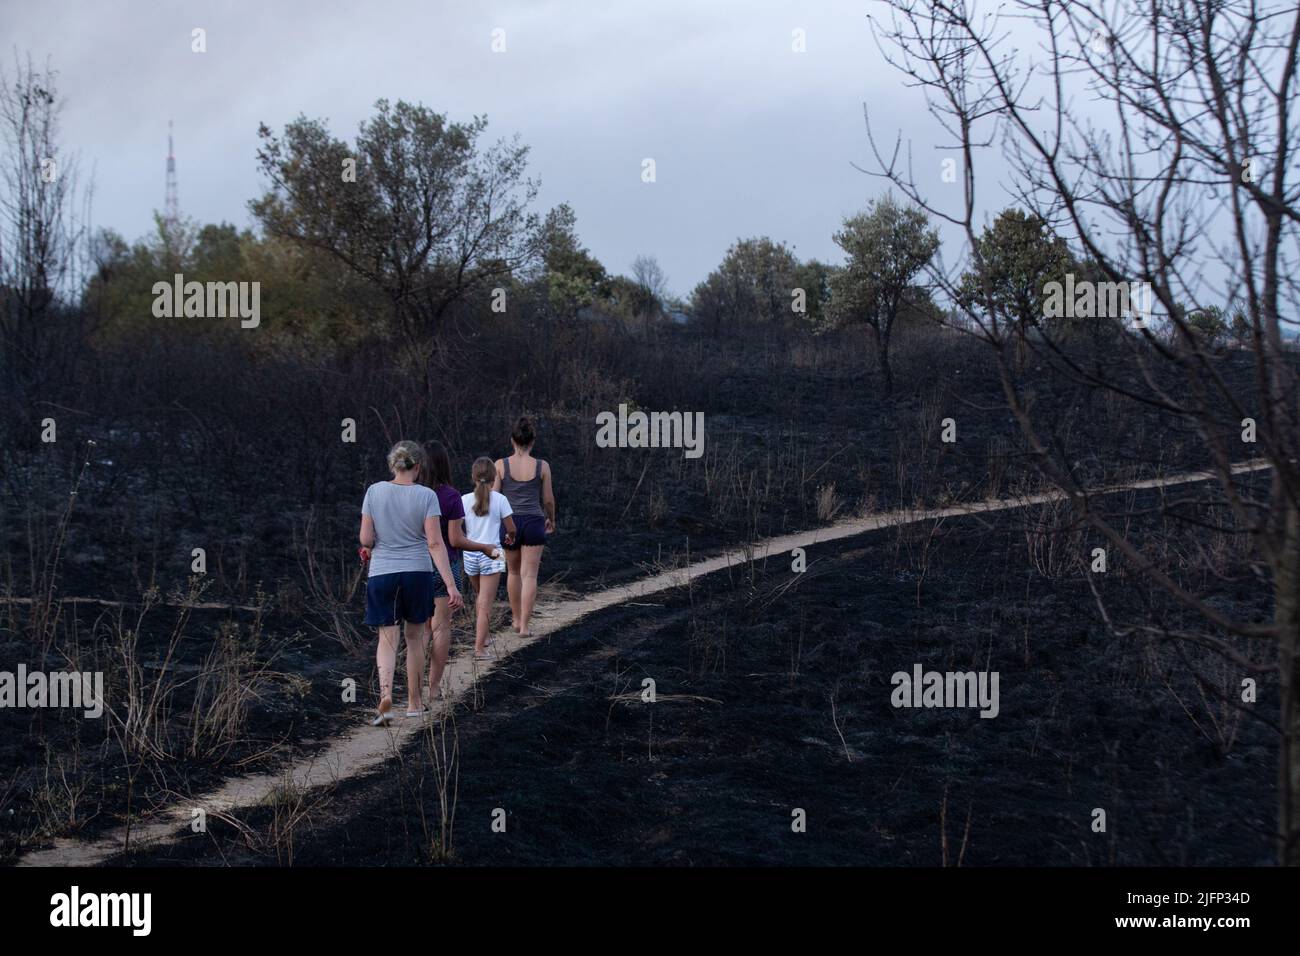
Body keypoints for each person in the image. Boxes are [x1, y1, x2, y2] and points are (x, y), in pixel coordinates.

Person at [359, 440, 462, 725]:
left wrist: (373, 543)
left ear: (393, 465)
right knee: (415, 638)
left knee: (387, 639)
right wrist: (451, 585)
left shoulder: (374, 492)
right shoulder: (426, 495)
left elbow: (366, 539)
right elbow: (434, 542)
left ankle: (385, 697)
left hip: (382, 573)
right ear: (418, 467)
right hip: (417, 573)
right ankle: (415, 703)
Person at [420, 440, 500, 696]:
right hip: (446, 566)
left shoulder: (413, 492)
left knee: (420, 629)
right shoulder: (450, 495)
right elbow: (454, 540)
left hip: (415, 565)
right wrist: (484, 547)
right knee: (441, 627)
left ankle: (414, 690)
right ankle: (433, 687)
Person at [493, 417, 556, 636]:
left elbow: (494, 497)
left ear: (512, 440)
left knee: (513, 572)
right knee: (530, 575)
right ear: (532, 441)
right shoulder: (542, 466)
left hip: (510, 522)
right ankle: (526, 627)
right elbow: (548, 499)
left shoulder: (501, 465)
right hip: (533, 521)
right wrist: (552, 518)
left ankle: (517, 620)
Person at [461, 457, 517, 660]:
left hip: (469, 553)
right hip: (492, 552)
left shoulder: (464, 500)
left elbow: (457, 528)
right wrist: (510, 538)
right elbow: (511, 528)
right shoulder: (500, 499)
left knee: (480, 599)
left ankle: (483, 639)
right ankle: (479, 649)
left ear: (473, 477)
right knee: (485, 602)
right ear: (495, 478)